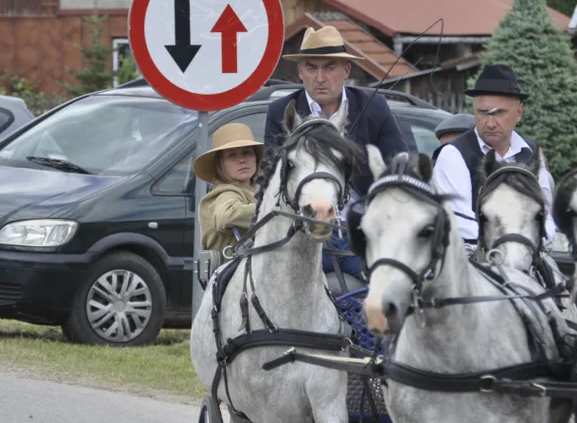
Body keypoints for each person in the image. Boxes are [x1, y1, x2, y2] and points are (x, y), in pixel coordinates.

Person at [263, 25, 415, 278]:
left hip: (363, 233)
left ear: (346, 70)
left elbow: (400, 167)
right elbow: (271, 177)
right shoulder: (281, 112)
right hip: (305, 233)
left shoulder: (373, 107)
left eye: (330, 67)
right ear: (300, 71)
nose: (320, 77)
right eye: (311, 68)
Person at [432, 63, 557, 245]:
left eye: (499, 113)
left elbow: (547, 218)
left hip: (526, 259)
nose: (490, 123)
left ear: (519, 113)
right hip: (474, 265)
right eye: (483, 113)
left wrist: (528, 242)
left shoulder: (530, 154)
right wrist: (513, 241)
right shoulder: (454, 155)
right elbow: (459, 221)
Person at [194, 123, 264, 256]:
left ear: (256, 157)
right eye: (231, 155)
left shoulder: (253, 190)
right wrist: (271, 209)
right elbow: (225, 216)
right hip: (232, 273)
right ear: (220, 164)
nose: (242, 160)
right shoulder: (226, 192)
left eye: (247, 152)